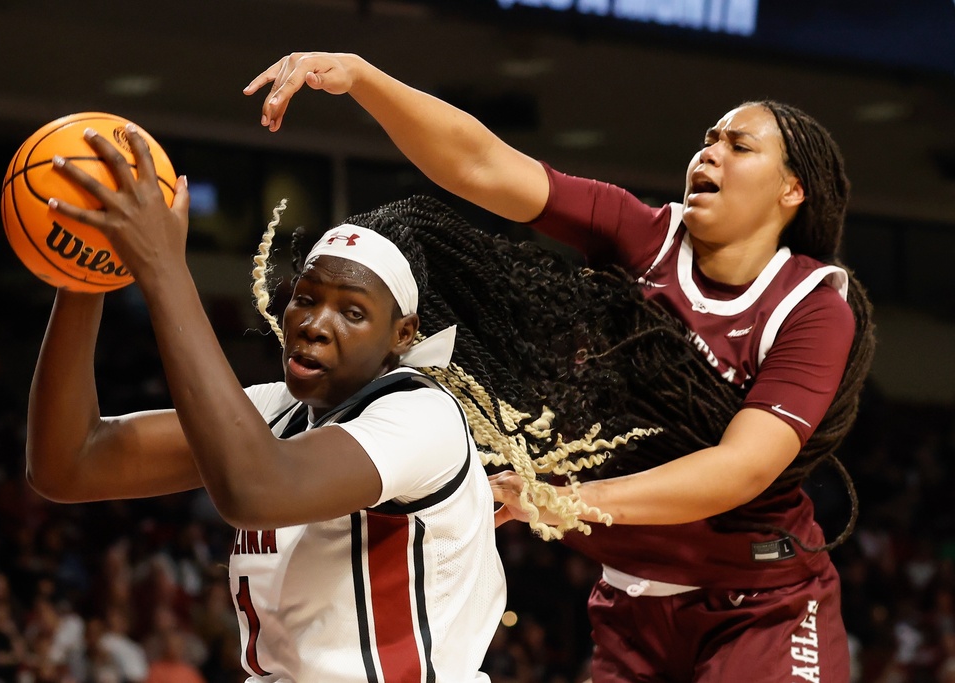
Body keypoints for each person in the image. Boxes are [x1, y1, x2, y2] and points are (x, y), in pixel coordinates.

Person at [244, 53, 876, 682]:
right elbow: (482, 165)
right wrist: (364, 77)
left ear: (792, 190)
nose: (708, 153)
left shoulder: (814, 305)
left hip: (762, 603)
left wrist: (566, 499)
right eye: (708, 140)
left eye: (738, 146)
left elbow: (742, 468)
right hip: (632, 602)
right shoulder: (647, 237)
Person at [26, 125, 507, 681]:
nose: (314, 326)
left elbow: (255, 490)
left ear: (403, 334)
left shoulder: (423, 416)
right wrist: (87, 274)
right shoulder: (275, 409)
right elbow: (68, 464)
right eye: (306, 299)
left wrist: (163, 268)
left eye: (352, 313)